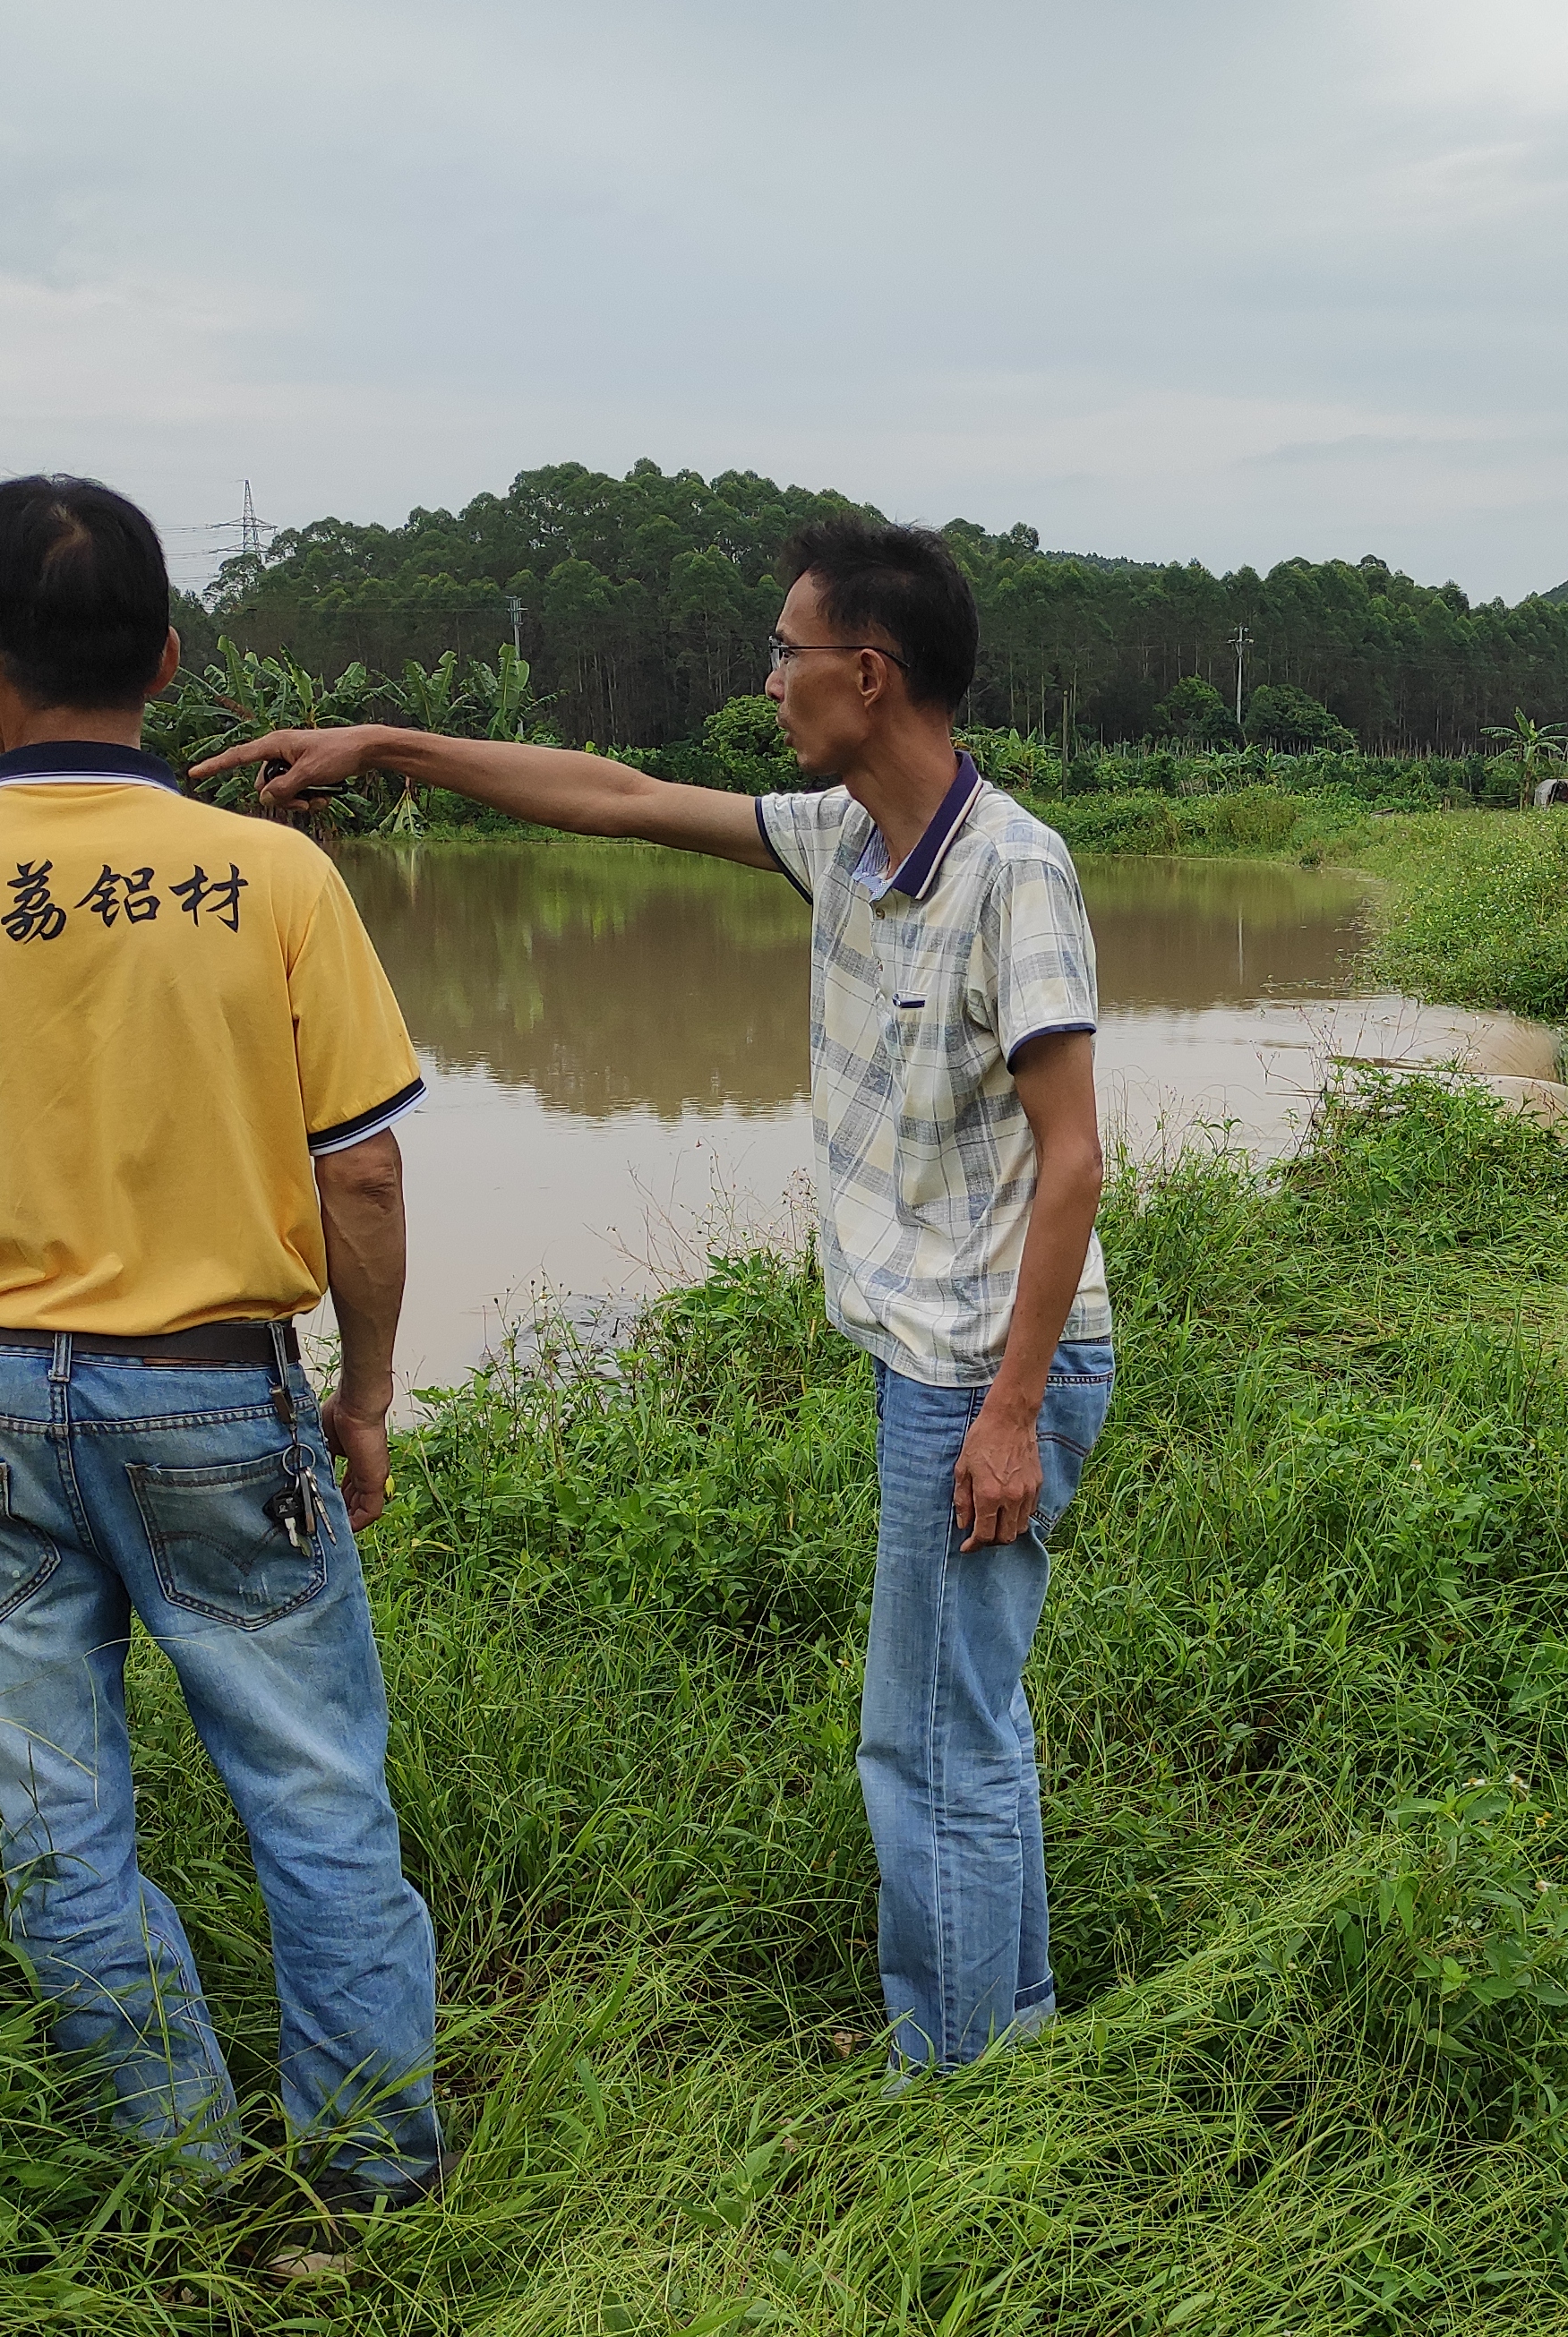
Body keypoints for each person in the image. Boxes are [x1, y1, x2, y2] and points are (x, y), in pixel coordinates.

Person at [197, 517, 1108, 2079]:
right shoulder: (847, 840)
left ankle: (953, 2085)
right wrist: (390, 744)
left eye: (786, 654)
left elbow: (1075, 1160)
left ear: (868, 676)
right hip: (938, 1365)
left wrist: (1011, 1412)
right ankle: (1002, 2035)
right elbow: (609, 798)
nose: (769, 685)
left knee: (928, 1742)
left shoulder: (1013, 868)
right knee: (968, 1721)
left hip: (977, 1371)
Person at [0, 474, 445, 2204]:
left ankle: (178, 2180)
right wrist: (364, 1400)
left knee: (61, 1819)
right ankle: (370, 2192)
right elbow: (359, 1178)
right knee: (312, 1799)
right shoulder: (276, 879)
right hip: (220, 1393)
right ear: (165, 653)